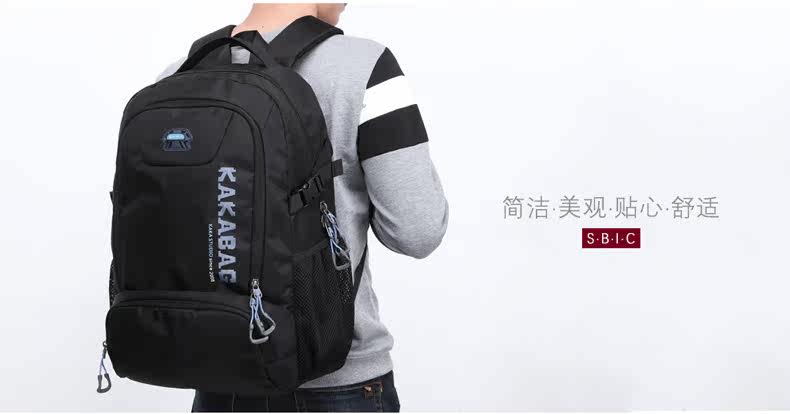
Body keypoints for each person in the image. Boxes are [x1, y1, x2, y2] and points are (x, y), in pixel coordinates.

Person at [157, 3, 449, 412]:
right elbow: (417, 231)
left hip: (218, 380)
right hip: (338, 382)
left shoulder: (179, 75)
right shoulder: (365, 66)